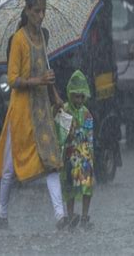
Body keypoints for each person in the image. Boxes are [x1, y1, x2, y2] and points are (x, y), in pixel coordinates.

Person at [0, 0, 67, 230]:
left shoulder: (43, 37)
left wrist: (55, 94)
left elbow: (46, 72)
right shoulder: (19, 40)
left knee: (51, 161)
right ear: (27, 10)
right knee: (10, 168)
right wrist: (39, 81)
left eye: (43, 11)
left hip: (42, 109)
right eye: (36, 11)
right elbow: (13, 79)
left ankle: (60, 216)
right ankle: (2, 214)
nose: (41, 16)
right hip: (22, 112)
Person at [60, 70, 95, 230]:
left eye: (82, 97)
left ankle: (85, 216)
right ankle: (70, 214)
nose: (79, 100)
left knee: (86, 185)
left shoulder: (86, 113)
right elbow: (61, 134)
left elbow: (89, 135)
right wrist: (70, 132)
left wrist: (80, 134)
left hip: (84, 154)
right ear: (70, 94)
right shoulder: (65, 111)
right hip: (69, 155)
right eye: (76, 96)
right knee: (70, 186)